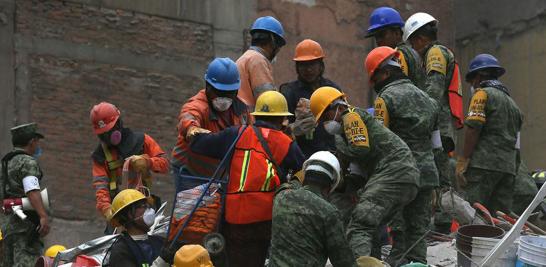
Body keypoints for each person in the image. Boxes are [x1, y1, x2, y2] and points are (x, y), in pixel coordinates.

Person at [190, 91, 305, 267]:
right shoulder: (285, 142)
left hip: (235, 218)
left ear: (256, 115)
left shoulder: (236, 134)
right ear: (282, 118)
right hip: (267, 218)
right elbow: (304, 170)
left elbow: (199, 144)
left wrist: (193, 130)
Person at [309, 87, 419, 259]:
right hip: (404, 174)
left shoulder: (350, 116)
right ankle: (378, 261)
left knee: (360, 224)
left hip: (394, 171)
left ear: (337, 106)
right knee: (371, 225)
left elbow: (360, 149)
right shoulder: (343, 134)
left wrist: (340, 159)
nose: (325, 123)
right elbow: (357, 172)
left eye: (325, 116)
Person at [366, 46, 440, 265]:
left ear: (385, 73)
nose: (373, 84)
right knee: (418, 234)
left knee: (399, 232)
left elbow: (381, 141)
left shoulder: (385, 99)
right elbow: (437, 146)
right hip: (427, 174)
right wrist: (441, 182)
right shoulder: (429, 101)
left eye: (374, 77)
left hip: (400, 175)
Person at [404, 12, 463, 232]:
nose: (413, 48)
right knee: (439, 171)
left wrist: (420, 119)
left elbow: (434, 91)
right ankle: (440, 220)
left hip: (436, 125)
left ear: (419, 39)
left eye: (412, 43)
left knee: (440, 172)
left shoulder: (434, 53)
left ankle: (442, 222)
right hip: (438, 123)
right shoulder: (438, 52)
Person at [456, 54, 523, 215]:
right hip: (507, 169)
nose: (472, 85)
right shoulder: (513, 105)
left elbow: (473, 128)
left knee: (474, 213)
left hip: (483, 166)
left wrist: (464, 160)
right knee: (500, 218)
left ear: (478, 77)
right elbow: (517, 144)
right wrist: (513, 168)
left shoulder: (482, 94)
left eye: (472, 80)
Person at [171, 57, 250, 191]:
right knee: (192, 210)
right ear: (208, 87)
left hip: (220, 173)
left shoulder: (241, 109)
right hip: (190, 172)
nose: (224, 98)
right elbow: (188, 117)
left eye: (228, 93)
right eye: (219, 92)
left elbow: (250, 134)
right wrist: (192, 128)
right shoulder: (198, 106)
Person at [269, 151, 357, 267]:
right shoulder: (328, 212)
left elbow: (289, 185)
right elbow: (343, 261)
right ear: (330, 186)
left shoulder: (281, 198)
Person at [90, 102, 169, 226]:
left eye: (110, 131)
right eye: (103, 134)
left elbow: (164, 164)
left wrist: (148, 162)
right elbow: (101, 188)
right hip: (120, 210)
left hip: (144, 204)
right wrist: (108, 211)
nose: (108, 137)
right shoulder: (100, 156)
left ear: (118, 124)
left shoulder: (141, 141)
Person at [280, 39, 341, 157]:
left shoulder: (332, 89)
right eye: (303, 65)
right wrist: (294, 129)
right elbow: (279, 130)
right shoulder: (289, 92)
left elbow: (344, 118)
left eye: (312, 64)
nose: (308, 70)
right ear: (297, 67)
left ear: (320, 65)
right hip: (301, 156)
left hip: (331, 154)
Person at [1, 122, 50, 267]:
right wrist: (42, 216)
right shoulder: (27, 162)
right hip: (26, 225)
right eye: (37, 141)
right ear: (31, 142)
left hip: (8, 225)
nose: (38, 144)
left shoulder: (5, 163)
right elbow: (31, 190)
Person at [366, 6, 425, 88]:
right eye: (376, 37)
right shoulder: (410, 52)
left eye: (381, 35)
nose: (378, 40)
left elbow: (400, 89)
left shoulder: (399, 54)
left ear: (397, 33)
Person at [105, 189, 164, 266]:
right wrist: (163, 260)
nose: (149, 210)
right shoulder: (121, 251)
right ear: (129, 214)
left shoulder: (159, 242)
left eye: (148, 206)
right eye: (143, 206)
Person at [237, 16, 286, 109]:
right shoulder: (258, 60)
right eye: (279, 45)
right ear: (273, 41)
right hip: (250, 120)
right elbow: (268, 101)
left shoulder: (246, 57)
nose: (279, 49)